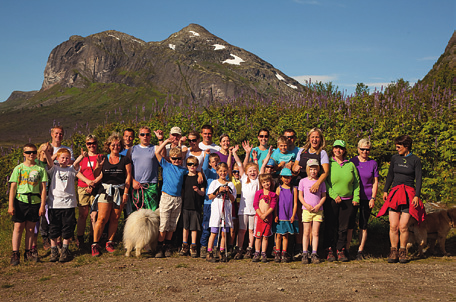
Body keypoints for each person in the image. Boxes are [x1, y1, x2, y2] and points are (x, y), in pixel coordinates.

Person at [377, 135, 425, 264]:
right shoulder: (395, 158)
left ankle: (403, 251)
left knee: (403, 226)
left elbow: (419, 179)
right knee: (393, 226)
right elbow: (390, 175)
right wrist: (386, 190)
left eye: (399, 147)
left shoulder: (415, 160)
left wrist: (417, 195)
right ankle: (393, 251)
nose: (397, 149)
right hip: (395, 194)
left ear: (406, 147)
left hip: (409, 194)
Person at [154, 137, 196, 258]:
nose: (176, 160)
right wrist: (166, 142)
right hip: (166, 197)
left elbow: (192, 170)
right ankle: (159, 246)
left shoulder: (183, 170)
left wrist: (198, 174)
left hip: (178, 199)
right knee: (164, 223)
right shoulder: (166, 165)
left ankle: (168, 245)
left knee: (172, 224)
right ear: (170, 158)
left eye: (179, 158)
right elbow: (157, 153)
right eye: (174, 158)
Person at [91, 133, 132, 256]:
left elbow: (128, 176)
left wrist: (126, 192)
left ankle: (110, 242)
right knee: (102, 218)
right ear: (108, 146)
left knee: (115, 218)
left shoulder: (125, 159)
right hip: (105, 190)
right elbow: (97, 174)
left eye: (118, 145)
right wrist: (99, 166)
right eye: (113, 145)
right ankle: (95, 244)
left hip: (119, 191)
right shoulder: (103, 158)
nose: (116, 147)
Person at [291, 128, 329, 260]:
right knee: (302, 220)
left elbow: (325, 171)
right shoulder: (302, 151)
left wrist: (317, 184)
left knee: (314, 226)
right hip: (302, 187)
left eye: (317, 137)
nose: (314, 140)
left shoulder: (322, 153)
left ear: (321, 139)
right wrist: (294, 170)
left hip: (316, 190)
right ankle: (301, 248)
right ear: (309, 138)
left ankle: (314, 252)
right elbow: (295, 168)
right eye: (312, 137)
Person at [8, 144, 48, 266]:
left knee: (31, 228)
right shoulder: (18, 168)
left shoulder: (40, 169)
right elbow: (13, 187)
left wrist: (42, 205)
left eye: (34, 152)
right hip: (21, 200)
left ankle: (28, 251)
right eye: (29, 152)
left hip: (35, 201)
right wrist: (11, 205)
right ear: (24, 154)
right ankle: (15, 253)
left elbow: (43, 189)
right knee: (18, 228)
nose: (31, 154)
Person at [44, 148, 84, 262]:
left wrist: (81, 156)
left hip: (69, 204)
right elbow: (49, 162)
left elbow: (76, 164)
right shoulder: (54, 169)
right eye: (62, 158)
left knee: (68, 227)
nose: (65, 160)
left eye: (67, 158)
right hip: (55, 204)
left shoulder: (71, 169)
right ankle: (54, 251)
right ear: (57, 158)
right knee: (54, 228)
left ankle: (65, 251)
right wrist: (46, 152)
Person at [323, 140, 360, 262]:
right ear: (333, 149)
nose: (338, 150)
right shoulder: (329, 163)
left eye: (340, 148)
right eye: (335, 148)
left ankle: (341, 249)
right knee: (330, 225)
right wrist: (333, 195)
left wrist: (356, 198)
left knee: (343, 227)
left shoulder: (350, 165)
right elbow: (325, 182)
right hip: (332, 200)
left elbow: (356, 183)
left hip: (348, 201)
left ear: (344, 150)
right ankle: (329, 250)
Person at [40, 125, 75, 250]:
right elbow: (41, 161)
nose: (58, 135)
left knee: (60, 214)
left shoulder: (67, 149)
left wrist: (61, 159)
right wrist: (52, 156)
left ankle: (60, 240)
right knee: (46, 213)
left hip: (60, 183)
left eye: (61, 133)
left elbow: (71, 163)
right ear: (51, 134)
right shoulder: (46, 147)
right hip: (46, 182)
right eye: (56, 133)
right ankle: (46, 238)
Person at [348, 138, 379, 260]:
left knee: (363, 224)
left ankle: (360, 251)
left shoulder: (373, 163)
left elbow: (375, 182)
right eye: (362, 149)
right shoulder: (352, 161)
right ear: (358, 149)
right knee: (350, 223)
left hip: (367, 197)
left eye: (367, 150)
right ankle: (347, 248)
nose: (365, 152)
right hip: (353, 197)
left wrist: (373, 197)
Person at [232, 145, 260, 260]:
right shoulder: (243, 178)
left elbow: (260, 168)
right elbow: (239, 164)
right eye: (250, 171)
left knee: (251, 230)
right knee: (242, 230)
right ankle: (239, 248)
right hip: (243, 209)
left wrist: (255, 160)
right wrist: (236, 153)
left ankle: (250, 248)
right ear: (246, 172)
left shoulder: (258, 180)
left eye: (254, 171)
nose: (252, 172)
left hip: (254, 210)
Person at [206, 162, 236, 262]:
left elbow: (233, 199)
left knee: (224, 233)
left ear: (227, 171)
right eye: (221, 171)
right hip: (216, 210)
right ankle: (209, 252)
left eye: (224, 171)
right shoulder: (214, 183)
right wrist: (218, 190)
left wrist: (227, 191)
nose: (223, 173)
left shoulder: (230, 183)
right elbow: (210, 196)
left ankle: (222, 251)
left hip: (226, 210)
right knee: (214, 232)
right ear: (217, 171)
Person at [75, 135, 102, 249]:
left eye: (93, 143)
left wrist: (93, 183)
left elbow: (102, 172)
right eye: (89, 143)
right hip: (82, 187)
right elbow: (76, 170)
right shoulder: (83, 158)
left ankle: (93, 238)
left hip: (95, 187)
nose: (91, 145)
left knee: (94, 214)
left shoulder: (100, 157)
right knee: (83, 214)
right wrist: (88, 182)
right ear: (86, 145)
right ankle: (80, 238)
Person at [299, 159, 326, 264]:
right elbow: (300, 196)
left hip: (318, 211)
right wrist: (306, 205)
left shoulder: (321, 182)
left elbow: (323, 196)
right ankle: (305, 253)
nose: (313, 171)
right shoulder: (303, 181)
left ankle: (314, 253)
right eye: (311, 169)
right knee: (306, 232)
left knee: (315, 233)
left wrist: (319, 205)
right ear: (307, 169)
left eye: (315, 169)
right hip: (306, 210)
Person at [127, 127, 161, 212]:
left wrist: (160, 139)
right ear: (139, 136)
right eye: (142, 134)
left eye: (147, 134)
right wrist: (133, 181)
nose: (145, 136)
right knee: (136, 214)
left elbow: (163, 157)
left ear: (150, 136)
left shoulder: (155, 148)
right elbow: (127, 169)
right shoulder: (132, 149)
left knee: (152, 213)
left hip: (151, 185)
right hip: (136, 185)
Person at [180, 156, 206, 258]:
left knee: (194, 228)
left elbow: (203, 193)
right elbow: (182, 191)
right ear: (186, 165)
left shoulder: (200, 178)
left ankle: (193, 246)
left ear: (197, 166)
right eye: (190, 164)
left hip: (196, 206)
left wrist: (198, 191)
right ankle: (184, 245)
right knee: (185, 227)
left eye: (194, 165)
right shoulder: (184, 177)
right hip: (185, 205)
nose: (192, 166)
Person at [273, 168, 298, 263]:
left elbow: (295, 203)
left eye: (288, 177)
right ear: (281, 178)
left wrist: (293, 215)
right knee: (278, 235)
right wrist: (275, 215)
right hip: (280, 215)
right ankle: (277, 252)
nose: (287, 179)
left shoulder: (294, 189)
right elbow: (276, 203)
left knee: (286, 235)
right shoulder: (279, 189)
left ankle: (284, 252)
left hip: (289, 216)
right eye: (285, 177)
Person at [200, 151, 221, 258]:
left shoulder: (221, 173)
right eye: (213, 161)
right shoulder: (209, 173)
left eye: (217, 161)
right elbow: (203, 168)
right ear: (210, 163)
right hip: (209, 203)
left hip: (218, 203)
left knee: (216, 226)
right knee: (207, 225)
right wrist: (207, 155)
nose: (216, 163)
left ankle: (214, 247)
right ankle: (204, 246)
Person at [252, 173, 277, 263]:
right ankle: (257, 252)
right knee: (258, 236)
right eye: (264, 182)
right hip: (259, 218)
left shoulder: (273, 194)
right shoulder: (258, 193)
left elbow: (272, 206)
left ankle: (263, 253)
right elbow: (255, 205)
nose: (266, 183)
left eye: (268, 181)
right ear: (261, 184)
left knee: (265, 236)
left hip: (268, 218)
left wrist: (265, 215)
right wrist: (261, 215)